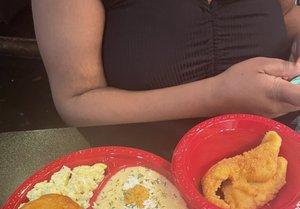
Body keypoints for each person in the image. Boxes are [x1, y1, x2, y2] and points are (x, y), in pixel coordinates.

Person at [32, 0, 300, 127]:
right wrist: (216, 95)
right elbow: (76, 101)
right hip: (144, 177)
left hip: (277, 157)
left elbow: (285, 15)